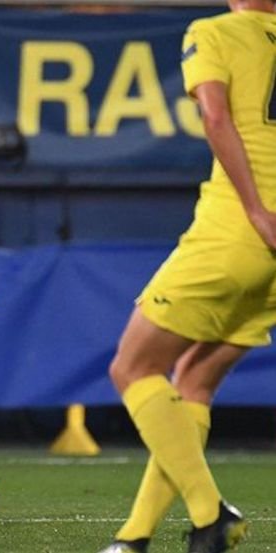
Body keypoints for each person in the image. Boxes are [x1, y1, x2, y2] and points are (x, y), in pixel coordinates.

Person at [100, 1, 276, 552]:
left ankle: (211, 514)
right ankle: (134, 538)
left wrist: (256, 210)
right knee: (193, 383)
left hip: (237, 234)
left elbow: (216, 117)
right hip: (271, 261)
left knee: (133, 367)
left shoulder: (214, 31)